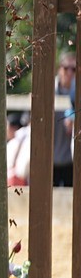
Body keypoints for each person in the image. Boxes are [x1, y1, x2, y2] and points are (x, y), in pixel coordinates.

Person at [53, 51, 76, 187]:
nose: (69, 72)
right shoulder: (47, 90)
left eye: (73, 69)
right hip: (49, 159)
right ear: (59, 69)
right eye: (66, 68)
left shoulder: (77, 93)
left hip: (71, 161)